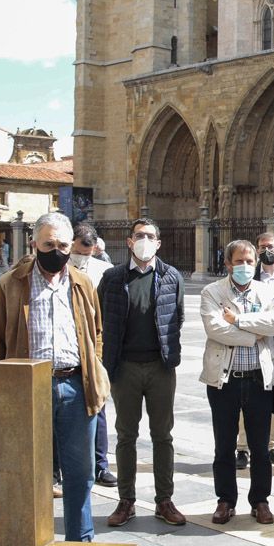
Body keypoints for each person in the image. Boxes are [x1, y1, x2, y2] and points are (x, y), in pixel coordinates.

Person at [0, 212, 109, 541]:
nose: (57, 250)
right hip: (28, 387)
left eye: (63, 245)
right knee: (30, 471)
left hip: (75, 385)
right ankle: (29, 545)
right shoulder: (12, 284)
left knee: (80, 472)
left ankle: (79, 542)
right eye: (49, 244)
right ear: (34, 244)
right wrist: (1, 397)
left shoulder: (82, 284)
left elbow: (96, 332)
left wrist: (92, 364)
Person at [99, 218, 187, 528]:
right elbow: (101, 322)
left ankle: (164, 499)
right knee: (126, 435)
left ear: (159, 243)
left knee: (162, 435)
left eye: (150, 236)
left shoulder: (171, 276)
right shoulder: (111, 278)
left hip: (160, 368)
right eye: (139, 235)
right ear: (128, 241)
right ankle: (126, 501)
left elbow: (177, 317)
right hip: (124, 369)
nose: (144, 240)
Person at [200, 239, 274, 525]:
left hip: (258, 379)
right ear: (227, 264)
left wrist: (237, 319)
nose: (245, 266)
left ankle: (260, 501)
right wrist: (253, 332)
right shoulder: (212, 292)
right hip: (224, 380)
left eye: (250, 261)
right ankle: (225, 500)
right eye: (239, 261)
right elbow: (216, 329)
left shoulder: (267, 290)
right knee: (224, 445)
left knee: (260, 447)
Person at [235, 232, 274, 469]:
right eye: (261, 248)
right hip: (255, 341)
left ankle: (273, 445)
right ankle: (243, 448)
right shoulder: (250, 276)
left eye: (270, 246)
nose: (266, 251)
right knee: (246, 396)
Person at [67, 222, 118, 488]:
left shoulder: (104, 271)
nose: (81, 258)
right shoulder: (58, 268)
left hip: (94, 348)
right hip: (64, 349)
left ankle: (101, 465)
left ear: (95, 249)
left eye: (86, 253)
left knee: (97, 406)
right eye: (77, 252)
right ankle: (56, 470)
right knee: (57, 411)